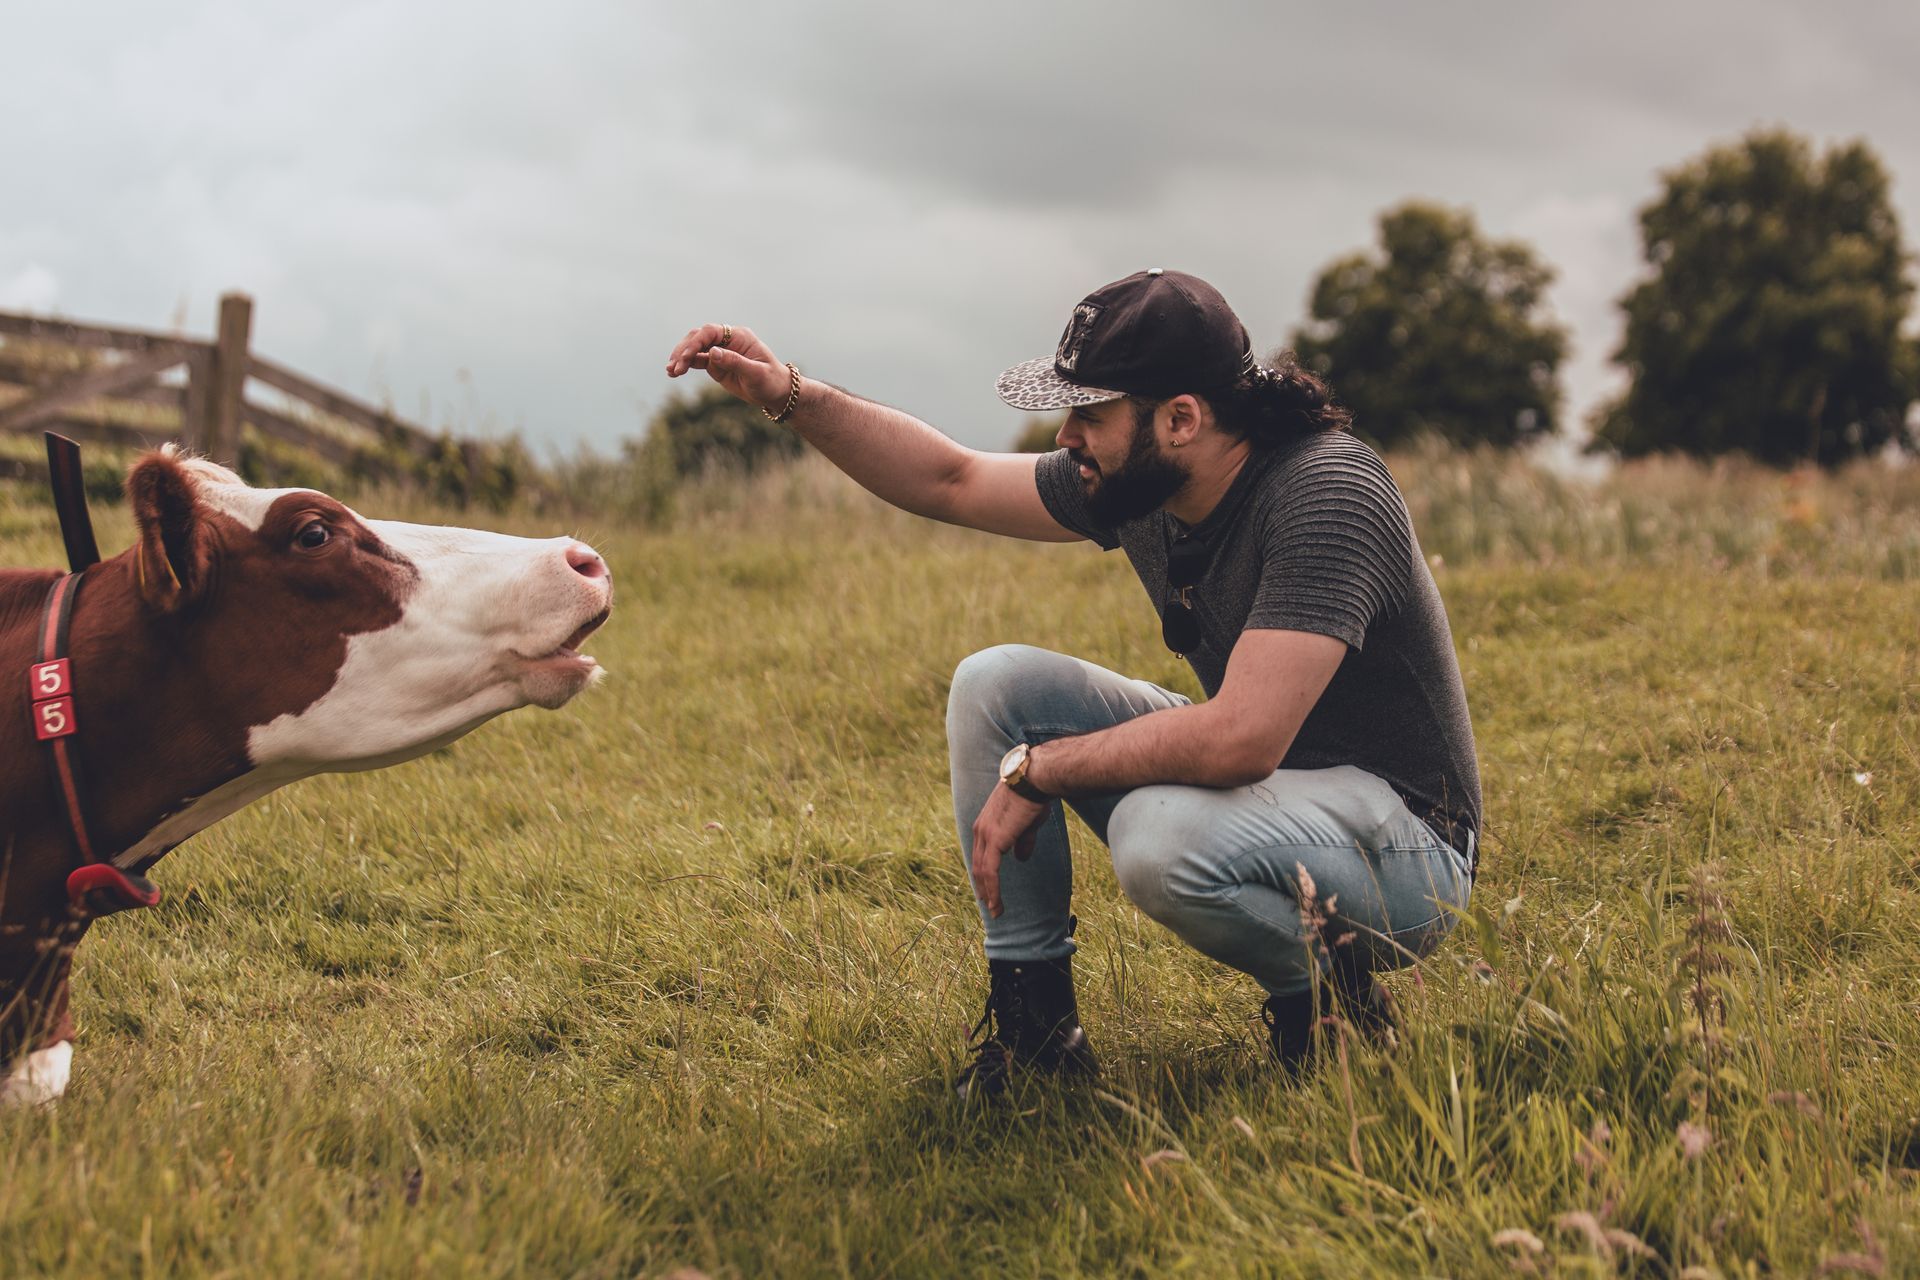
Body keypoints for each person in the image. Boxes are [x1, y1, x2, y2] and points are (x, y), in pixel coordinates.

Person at [665, 270, 1479, 1097]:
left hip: (1410, 846)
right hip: (1282, 795)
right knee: (998, 684)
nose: (1065, 437)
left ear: (1181, 418)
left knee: (1162, 840)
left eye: (1089, 413)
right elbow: (950, 479)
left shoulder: (1327, 490)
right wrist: (790, 395)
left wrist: (1043, 768)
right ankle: (1039, 1042)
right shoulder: (1146, 481)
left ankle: (1333, 1010)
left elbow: (1242, 738)